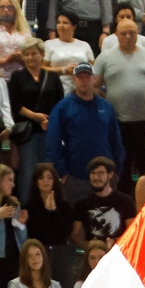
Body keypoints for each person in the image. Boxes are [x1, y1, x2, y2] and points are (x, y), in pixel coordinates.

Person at [92, 18, 145, 180]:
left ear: (137, 34)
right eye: (123, 33)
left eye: (132, 33)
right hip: (118, 122)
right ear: (116, 35)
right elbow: (93, 86)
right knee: (121, 168)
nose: (128, 36)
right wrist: (105, 101)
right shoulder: (105, 57)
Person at [45, 62, 123, 204]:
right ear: (74, 80)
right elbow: (52, 143)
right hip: (76, 177)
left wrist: (117, 171)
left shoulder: (106, 106)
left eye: (87, 77)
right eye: (80, 77)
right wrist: (63, 174)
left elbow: (116, 139)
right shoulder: (62, 108)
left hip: (106, 177)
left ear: (94, 79)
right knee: (77, 222)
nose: (84, 81)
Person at [7, 39, 62, 201]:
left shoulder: (52, 77)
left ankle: (49, 204)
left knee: (49, 172)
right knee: (27, 172)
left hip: (48, 130)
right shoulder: (17, 77)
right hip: (27, 132)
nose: (30, 57)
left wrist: (50, 121)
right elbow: (14, 104)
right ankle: (25, 207)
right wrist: (35, 116)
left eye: (34, 53)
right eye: (26, 54)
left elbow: (59, 102)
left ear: (42, 55)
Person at [24, 162, 75, 288]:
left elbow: (66, 232)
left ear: (54, 181)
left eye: (49, 177)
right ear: (36, 182)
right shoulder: (30, 207)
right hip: (39, 252)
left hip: (61, 253)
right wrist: (47, 212)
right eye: (41, 178)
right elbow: (34, 232)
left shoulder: (64, 206)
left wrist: (53, 212)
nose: (45, 181)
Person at [71, 154, 133, 247]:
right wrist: (90, 247)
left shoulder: (125, 200)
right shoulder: (82, 203)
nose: (96, 177)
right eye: (93, 173)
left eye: (100, 173)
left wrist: (116, 244)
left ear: (110, 174)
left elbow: (132, 231)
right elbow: (75, 234)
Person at [43, 10, 94, 92]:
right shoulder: (49, 44)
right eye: (58, 22)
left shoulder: (85, 45)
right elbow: (42, 68)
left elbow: (93, 68)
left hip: (81, 88)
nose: (60, 26)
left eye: (65, 23)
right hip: (57, 88)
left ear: (74, 26)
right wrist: (63, 70)